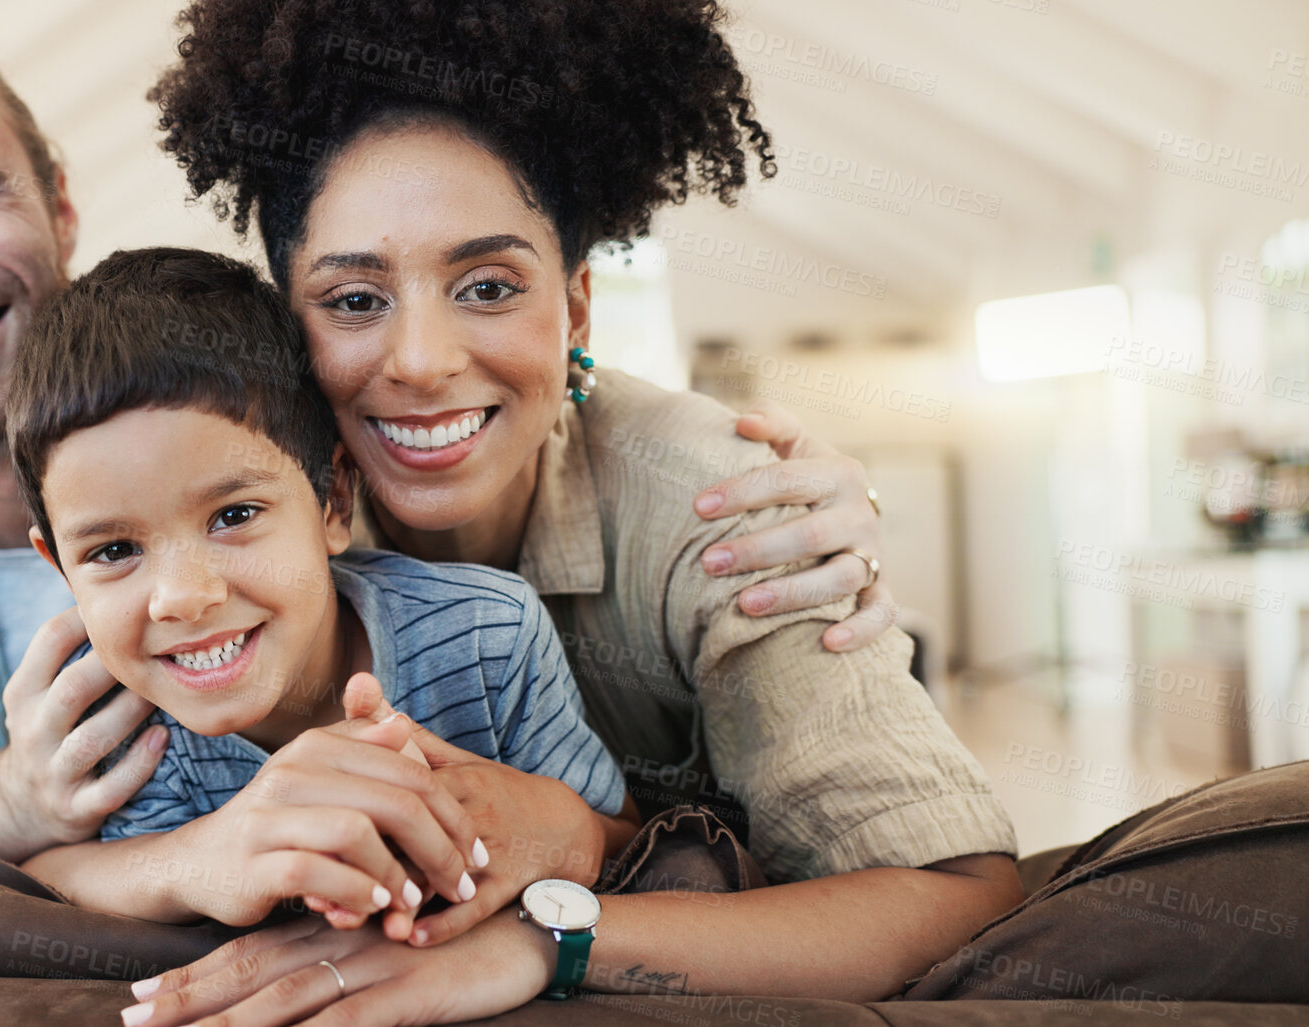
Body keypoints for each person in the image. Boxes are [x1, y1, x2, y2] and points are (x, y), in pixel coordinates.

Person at [0, 19, 890, 868]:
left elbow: (471, 365)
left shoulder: (284, 377)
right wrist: (10, 802)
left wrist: (724, 463)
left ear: (59, 204)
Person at [116, 1, 1023, 1022]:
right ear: (287, 325)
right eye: (355, 301)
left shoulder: (724, 508)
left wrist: (549, 939)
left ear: (577, 308)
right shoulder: (230, 528)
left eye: (489, 285)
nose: (420, 361)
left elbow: (958, 891)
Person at [6, 246, 639, 929]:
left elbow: (626, 846)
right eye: (115, 550)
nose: (182, 596)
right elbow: (43, 877)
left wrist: (547, 822)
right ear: (60, 566)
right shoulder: (111, 719)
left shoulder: (486, 640)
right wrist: (189, 861)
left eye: (233, 516)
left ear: (333, 499)